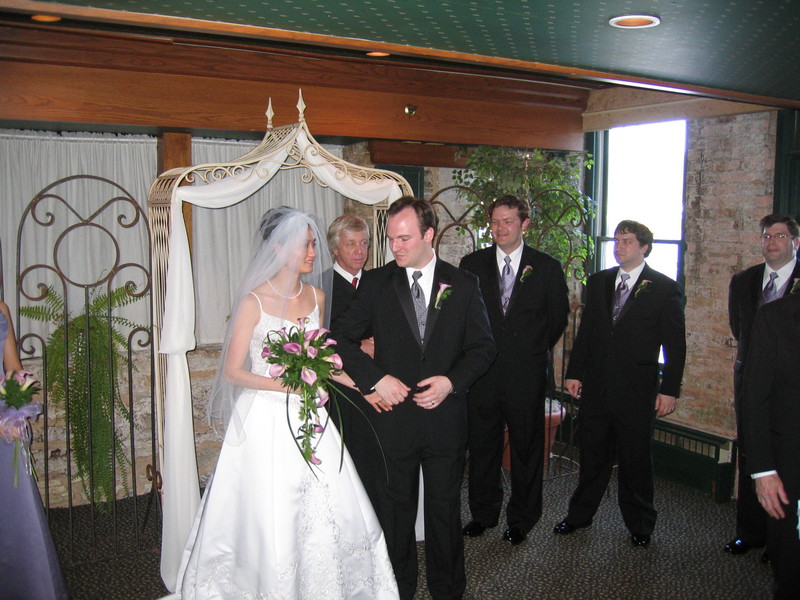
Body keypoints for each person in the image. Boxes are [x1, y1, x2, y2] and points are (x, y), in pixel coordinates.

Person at [173, 207, 398, 599]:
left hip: (311, 415)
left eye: (313, 244)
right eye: (305, 245)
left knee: (325, 502)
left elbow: (323, 362)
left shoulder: (317, 297)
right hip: (265, 415)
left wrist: (364, 387)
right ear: (278, 248)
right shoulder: (253, 302)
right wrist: (286, 386)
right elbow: (233, 372)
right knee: (269, 505)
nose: (313, 252)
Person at [332, 197, 495, 600]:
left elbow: (483, 348)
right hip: (393, 422)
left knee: (444, 511)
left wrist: (451, 382)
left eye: (404, 238)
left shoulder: (463, 283)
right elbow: (339, 339)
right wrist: (375, 380)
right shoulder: (375, 283)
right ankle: (397, 589)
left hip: (445, 421)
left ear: (428, 235)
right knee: (395, 513)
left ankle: (448, 590)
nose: (395, 247)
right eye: (391, 239)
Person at [554, 220, 686, 548]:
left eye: (627, 241)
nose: (619, 247)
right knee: (592, 456)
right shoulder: (599, 281)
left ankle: (640, 523)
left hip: (637, 389)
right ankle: (580, 515)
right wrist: (574, 372)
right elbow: (587, 332)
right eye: (617, 240)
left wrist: (669, 390)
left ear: (644, 247)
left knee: (635, 459)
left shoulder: (664, 288)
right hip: (598, 386)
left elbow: (675, 345)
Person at [459, 194, 569, 546]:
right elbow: (463, 317)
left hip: (526, 373)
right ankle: (483, 513)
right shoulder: (471, 264)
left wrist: (530, 350)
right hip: (483, 373)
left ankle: (522, 519)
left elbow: (557, 318)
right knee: (482, 447)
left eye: (508, 221)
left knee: (526, 447)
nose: (500, 228)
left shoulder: (547, 267)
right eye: (495, 221)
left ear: (525, 224)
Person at [725, 213, 800, 558]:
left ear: (795, 242)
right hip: (751, 382)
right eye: (767, 236)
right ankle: (750, 531)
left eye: (780, 236)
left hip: (790, 390)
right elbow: (739, 328)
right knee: (752, 450)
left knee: (787, 460)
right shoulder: (744, 281)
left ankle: (779, 539)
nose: (772, 242)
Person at [0, 300, 68, 599]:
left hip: (4, 424)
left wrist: (17, 408)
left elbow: (13, 368)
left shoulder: (2, 308)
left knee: (15, 510)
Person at [741, 291, 800, 599]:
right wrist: (763, 471)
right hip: (790, 463)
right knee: (790, 565)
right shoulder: (776, 316)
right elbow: (755, 398)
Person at [325, 214, 380, 497]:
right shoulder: (320, 285)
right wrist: (359, 346)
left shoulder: (379, 282)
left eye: (364, 243)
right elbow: (314, 339)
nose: (360, 251)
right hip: (340, 387)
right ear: (335, 248)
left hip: (378, 380)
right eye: (351, 244)